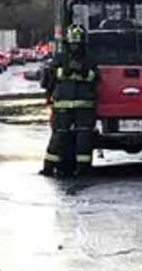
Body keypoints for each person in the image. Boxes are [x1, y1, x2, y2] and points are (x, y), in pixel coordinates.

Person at [42, 24, 100, 177]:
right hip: (64, 105)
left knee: (83, 138)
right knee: (59, 137)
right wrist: (65, 70)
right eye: (73, 44)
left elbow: (95, 77)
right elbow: (49, 77)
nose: (75, 47)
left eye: (78, 44)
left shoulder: (89, 59)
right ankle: (49, 167)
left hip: (84, 106)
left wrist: (83, 71)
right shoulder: (60, 58)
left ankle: (83, 169)